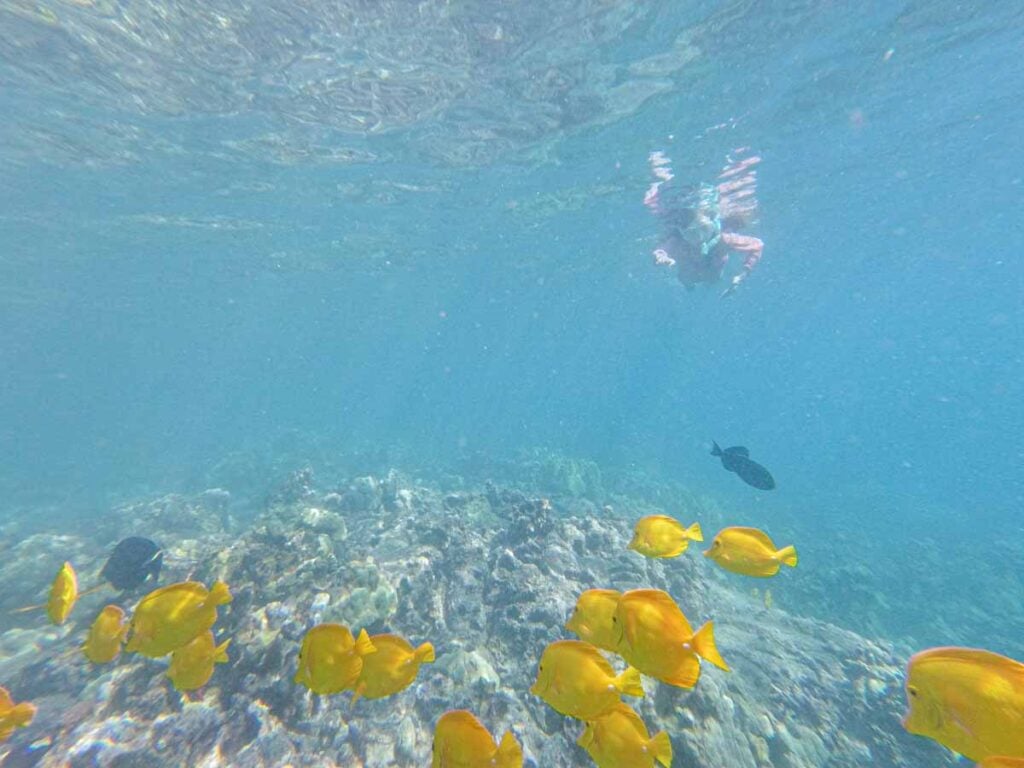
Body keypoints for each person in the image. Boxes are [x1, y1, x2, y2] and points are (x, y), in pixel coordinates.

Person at [643, 147, 764, 296]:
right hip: (689, 279)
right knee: (690, 282)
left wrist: (743, 274)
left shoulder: (724, 240)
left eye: (702, 230)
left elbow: (757, 245)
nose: (699, 239)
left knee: (708, 280)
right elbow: (660, 251)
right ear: (682, 231)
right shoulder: (679, 242)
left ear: (713, 221)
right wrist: (661, 258)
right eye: (692, 232)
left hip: (709, 276)